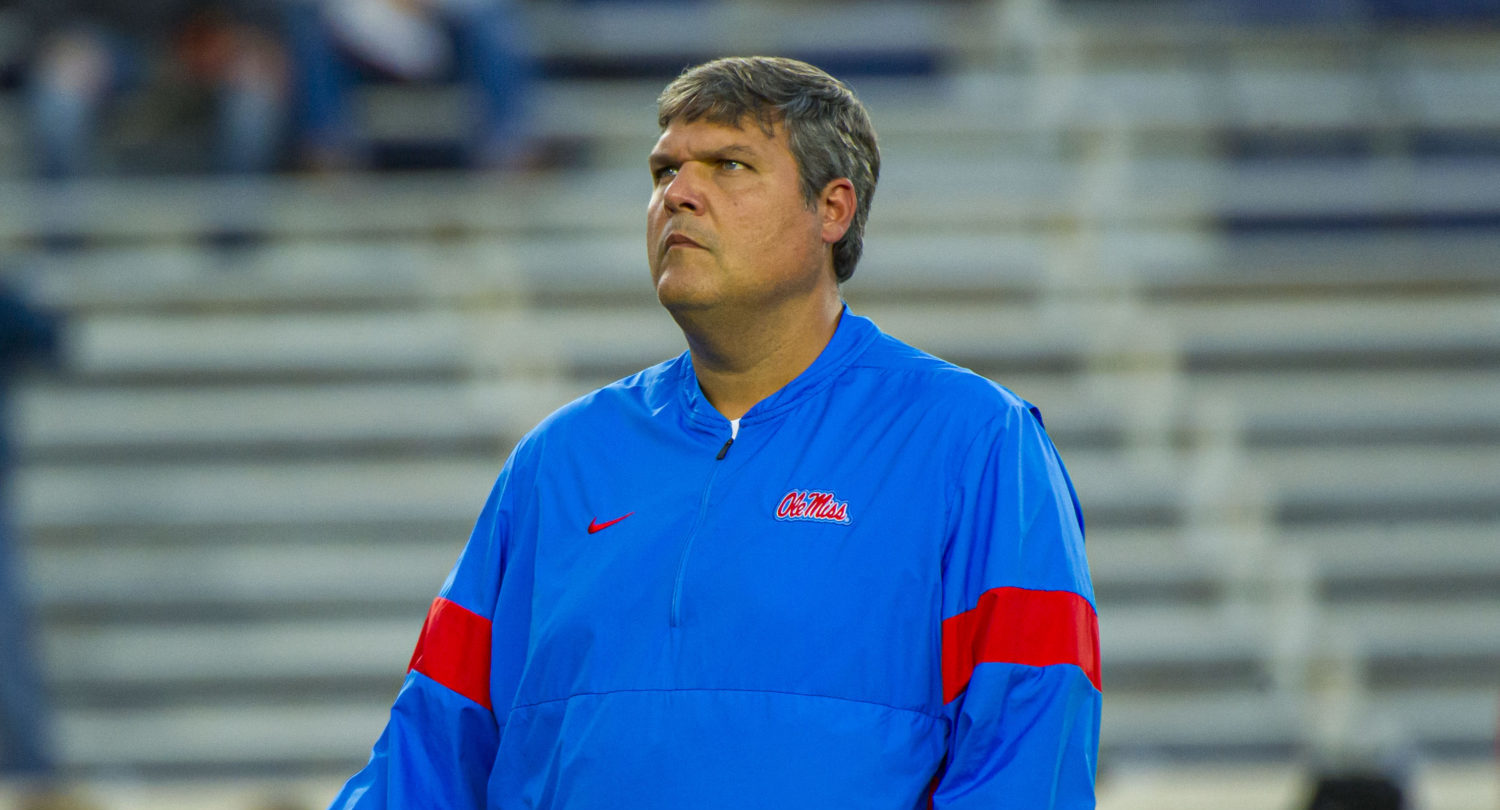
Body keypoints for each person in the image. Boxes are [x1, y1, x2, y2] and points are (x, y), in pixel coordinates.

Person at [331, 56, 1100, 809]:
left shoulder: (974, 441)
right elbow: (427, 753)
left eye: (730, 165)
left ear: (832, 209)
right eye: (665, 171)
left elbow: (1028, 752)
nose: (679, 194)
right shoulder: (557, 462)